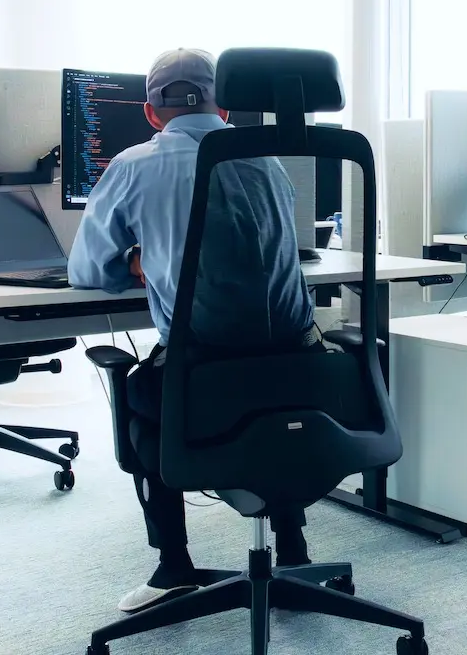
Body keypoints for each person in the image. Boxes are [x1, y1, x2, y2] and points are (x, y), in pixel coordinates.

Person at [67, 47, 320, 613]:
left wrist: (141, 260)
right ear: (223, 108)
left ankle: (173, 565)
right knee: (263, 392)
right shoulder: (269, 163)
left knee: (139, 396)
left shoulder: (134, 165)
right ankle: (296, 552)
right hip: (299, 374)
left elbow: (86, 272)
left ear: (152, 113)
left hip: (204, 379)